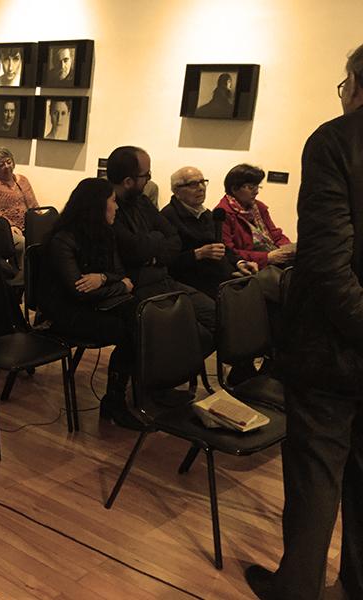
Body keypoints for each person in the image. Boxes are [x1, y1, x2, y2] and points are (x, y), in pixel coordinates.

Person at [245, 42, 363, 600]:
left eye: (345, 87)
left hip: (334, 353)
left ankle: (296, 591)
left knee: (316, 480)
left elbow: (329, 269)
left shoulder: (337, 141)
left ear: (357, 86)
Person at [39, 178, 136, 425]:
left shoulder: (105, 233)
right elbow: (79, 291)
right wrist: (118, 284)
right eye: (113, 202)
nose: (117, 207)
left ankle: (125, 395)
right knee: (131, 329)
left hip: (94, 304)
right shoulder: (63, 239)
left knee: (142, 315)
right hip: (66, 313)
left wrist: (102, 278)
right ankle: (116, 400)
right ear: (96, 206)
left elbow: (120, 273)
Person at [107, 146, 215, 358]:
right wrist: (155, 242)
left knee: (217, 315)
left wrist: (152, 251)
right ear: (128, 181)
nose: (149, 179)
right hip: (137, 286)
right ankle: (156, 383)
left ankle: (167, 375)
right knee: (192, 333)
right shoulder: (108, 207)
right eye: (146, 174)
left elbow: (174, 238)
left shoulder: (142, 202)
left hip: (162, 279)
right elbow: (133, 251)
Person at [161, 166, 257, 299]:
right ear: (177, 191)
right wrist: (198, 254)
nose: (201, 188)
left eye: (203, 182)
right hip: (195, 281)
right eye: (193, 184)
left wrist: (240, 263)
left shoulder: (208, 214)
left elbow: (222, 246)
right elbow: (167, 262)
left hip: (222, 276)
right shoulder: (167, 217)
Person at [215, 163, 294, 268]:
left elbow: (275, 235)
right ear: (234, 189)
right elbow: (229, 252)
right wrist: (267, 257)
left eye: (258, 186)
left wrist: (287, 247)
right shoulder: (223, 212)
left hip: (273, 258)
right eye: (251, 187)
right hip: (252, 267)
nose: (256, 192)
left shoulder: (259, 207)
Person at [0, 147, 38, 267]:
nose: (7, 166)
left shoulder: (22, 180)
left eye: (9, 162)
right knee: (22, 243)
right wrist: (11, 225)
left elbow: (34, 205)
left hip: (28, 223)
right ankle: (21, 278)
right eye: (2, 164)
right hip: (4, 228)